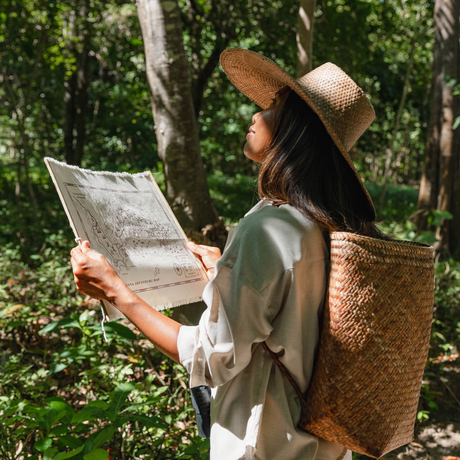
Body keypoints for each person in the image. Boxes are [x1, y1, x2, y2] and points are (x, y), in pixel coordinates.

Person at [71, 48, 385, 460]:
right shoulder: (330, 225)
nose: (256, 115)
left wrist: (115, 291)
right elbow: (290, 318)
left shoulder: (270, 226)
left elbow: (208, 356)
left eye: (272, 107)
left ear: (296, 130)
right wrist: (225, 272)